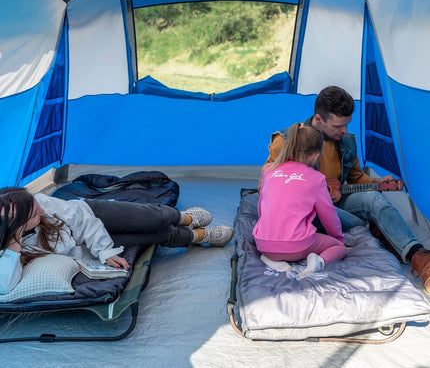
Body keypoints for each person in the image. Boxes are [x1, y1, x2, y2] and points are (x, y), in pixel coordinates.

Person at [263, 85, 430, 290]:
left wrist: (377, 184)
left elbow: (356, 177)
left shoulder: (346, 141)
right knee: (351, 219)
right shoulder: (288, 139)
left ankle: (420, 258)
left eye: (347, 125)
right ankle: (379, 230)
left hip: (335, 202)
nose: (345, 131)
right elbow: (267, 186)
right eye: (338, 126)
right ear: (319, 119)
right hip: (305, 208)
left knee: (374, 199)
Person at [0, 186, 233, 294]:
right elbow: (5, 285)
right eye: (34, 212)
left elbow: (83, 221)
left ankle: (185, 217)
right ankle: (197, 236)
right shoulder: (14, 246)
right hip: (83, 246)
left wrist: (106, 251)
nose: (40, 207)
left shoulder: (44, 205)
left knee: (152, 217)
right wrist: (14, 243)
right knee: (152, 236)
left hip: (91, 215)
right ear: (17, 226)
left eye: (36, 204)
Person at [254, 123, 346, 276]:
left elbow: (261, 208)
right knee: (339, 248)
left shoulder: (269, 171)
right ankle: (319, 261)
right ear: (316, 155)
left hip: (263, 243)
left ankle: (270, 259)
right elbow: (328, 215)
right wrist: (338, 238)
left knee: (274, 246)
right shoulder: (316, 178)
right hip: (299, 245)